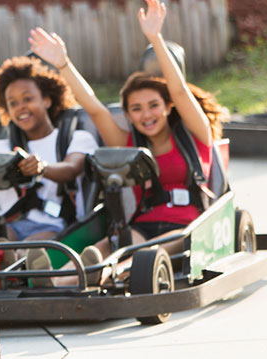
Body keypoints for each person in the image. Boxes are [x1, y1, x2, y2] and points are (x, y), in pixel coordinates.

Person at [29, 0, 229, 285]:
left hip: (186, 225)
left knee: (144, 252)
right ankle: (54, 280)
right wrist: (63, 64)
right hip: (142, 222)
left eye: (153, 105)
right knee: (111, 245)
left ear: (168, 106)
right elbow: (95, 109)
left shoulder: (195, 135)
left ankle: (107, 274)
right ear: (128, 115)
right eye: (136, 109)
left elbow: (180, 91)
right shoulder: (128, 142)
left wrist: (155, 38)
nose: (146, 114)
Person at [0, 56, 98, 285]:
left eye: (27, 99)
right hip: (11, 225)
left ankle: (15, 268)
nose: (21, 108)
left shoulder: (75, 138)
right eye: (13, 103)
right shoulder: (3, 146)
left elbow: (71, 168)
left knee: (29, 251)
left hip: (55, 225)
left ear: (47, 100)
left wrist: (43, 168)